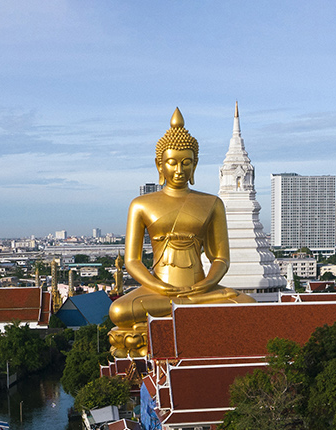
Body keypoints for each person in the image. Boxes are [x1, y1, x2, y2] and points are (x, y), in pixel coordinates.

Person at [107, 108, 251, 358]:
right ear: (159, 164)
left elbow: (221, 259)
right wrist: (161, 287)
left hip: (200, 287)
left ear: (195, 164)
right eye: (172, 162)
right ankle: (189, 308)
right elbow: (132, 261)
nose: (179, 170)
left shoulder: (212, 203)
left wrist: (205, 284)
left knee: (248, 305)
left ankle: (189, 305)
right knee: (119, 311)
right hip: (158, 290)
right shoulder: (141, 204)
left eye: (186, 162)